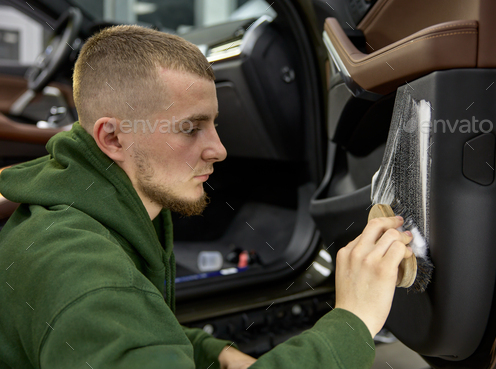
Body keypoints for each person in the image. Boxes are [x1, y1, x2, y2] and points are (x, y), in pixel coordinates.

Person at [0, 25, 413, 369]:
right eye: (190, 127)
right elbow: (107, 305)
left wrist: (209, 353)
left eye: (214, 123)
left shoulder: (98, 209)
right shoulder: (84, 277)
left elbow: (136, 329)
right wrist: (353, 320)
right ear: (112, 137)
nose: (219, 149)